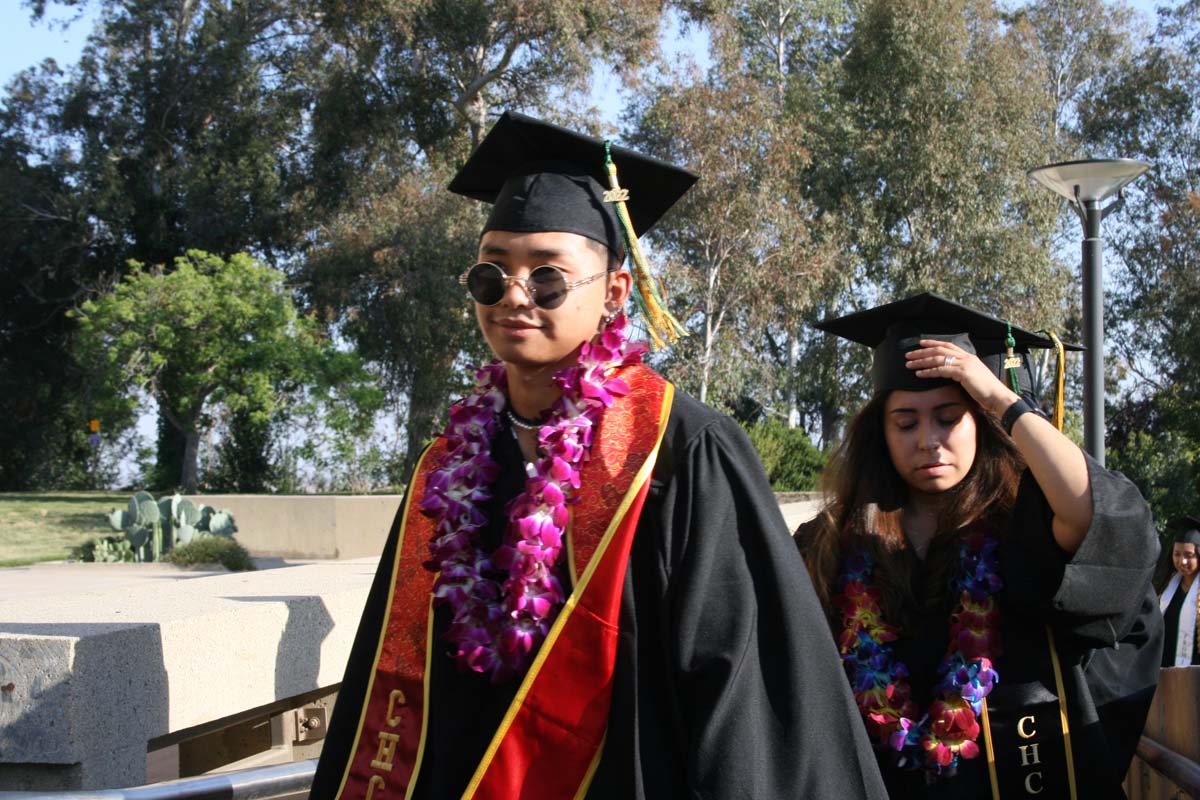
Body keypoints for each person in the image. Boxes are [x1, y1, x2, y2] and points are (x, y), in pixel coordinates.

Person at [309, 111, 886, 800]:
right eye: (490, 277)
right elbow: (402, 677)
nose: (514, 296)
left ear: (614, 293)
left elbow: (742, 691)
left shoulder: (681, 450)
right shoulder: (447, 468)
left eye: (548, 278)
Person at [794, 292, 1163, 799]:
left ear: (980, 425)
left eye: (949, 417)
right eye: (906, 422)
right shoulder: (834, 541)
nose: (928, 439)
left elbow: (1091, 510)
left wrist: (1003, 401)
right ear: (880, 432)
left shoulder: (1024, 524)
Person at [1160, 517, 1200, 667]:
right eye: (1177, 554)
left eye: (1189, 555)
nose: (1182, 561)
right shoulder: (1164, 590)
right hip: (1165, 669)